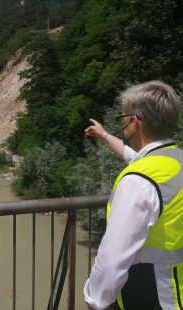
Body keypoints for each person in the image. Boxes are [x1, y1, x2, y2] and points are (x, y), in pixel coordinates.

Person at [83, 80, 183, 310]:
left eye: (122, 119)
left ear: (134, 122)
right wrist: (104, 135)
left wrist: (94, 301)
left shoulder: (138, 181)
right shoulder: (173, 162)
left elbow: (112, 257)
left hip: (152, 298)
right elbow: (134, 155)